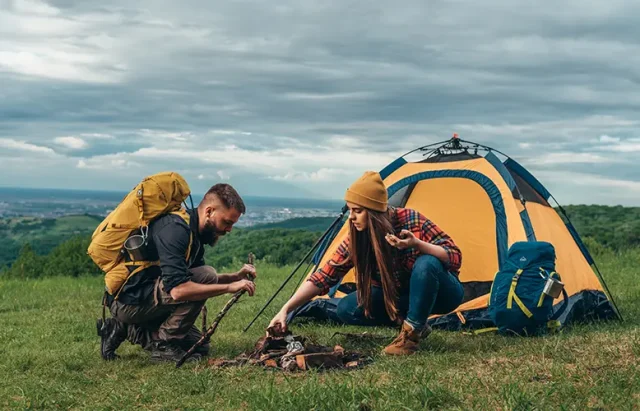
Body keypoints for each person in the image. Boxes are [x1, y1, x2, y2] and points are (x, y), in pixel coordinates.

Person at [269, 171, 463, 355]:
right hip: (397, 297)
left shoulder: (411, 220)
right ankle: (411, 322)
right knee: (347, 308)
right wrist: (285, 310)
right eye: (350, 210)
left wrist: (417, 244)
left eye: (358, 211)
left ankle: (411, 335)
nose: (351, 217)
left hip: (443, 294)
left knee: (426, 263)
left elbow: (454, 256)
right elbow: (324, 277)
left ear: (374, 212)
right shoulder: (358, 237)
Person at [98, 183, 257, 363]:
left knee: (199, 346)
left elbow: (192, 279)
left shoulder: (194, 234)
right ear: (209, 211)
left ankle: (122, 328)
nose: (229, 229)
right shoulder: (176, 229)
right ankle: (164, 345)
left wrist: (235, 277)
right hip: (128, 301)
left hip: (146, 297)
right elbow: (179, 290)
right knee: (207, 274)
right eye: (227, 222)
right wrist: (229, 287)